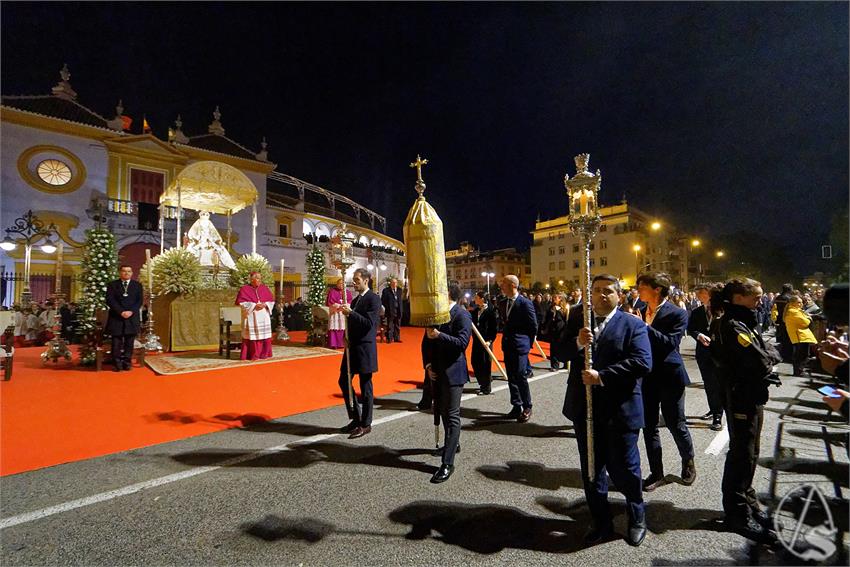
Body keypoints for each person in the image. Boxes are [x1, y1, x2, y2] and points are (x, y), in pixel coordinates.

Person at [562, 274, 652, 547]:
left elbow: (642, 362)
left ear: (619, 296)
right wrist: (578, 343)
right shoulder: (580, 321)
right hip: (585, 409)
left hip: (620, 408)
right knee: (592, 468)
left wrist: (602, 376)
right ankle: (600, 520)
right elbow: (558, 351)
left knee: (625, 467)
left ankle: (636, 515)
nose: (601, 295)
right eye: (596, 290)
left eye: (608, 291)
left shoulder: (632, 324)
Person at [709, 278, 781, 543]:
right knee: (742, 453)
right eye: (756, 297)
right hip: (741, 395)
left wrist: (768, 357)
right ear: (738, 298)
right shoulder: (732, 324)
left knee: (750, 452)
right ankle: (737, 513)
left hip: (749, 393)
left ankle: (748, 503)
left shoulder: (742, 320)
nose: (760, 302)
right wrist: (769, 359)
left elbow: (765, 351)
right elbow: (761, 361)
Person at [634, 272, 696, 491]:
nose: (638, 290)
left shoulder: (678, 313)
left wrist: (644, 327)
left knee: (675, 423)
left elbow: (669, 343)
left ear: (657, 289)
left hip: (670, 375)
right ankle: (656, 473)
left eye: (642, 286)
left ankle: (688, 461)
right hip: (647, 376)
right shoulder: (640, 310)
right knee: (648, 426)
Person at [422, 283, 472, 483]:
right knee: (442, 411)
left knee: (452, 415)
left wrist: (440, 335)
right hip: (437, 371)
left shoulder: (462, 315)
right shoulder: (437, 314)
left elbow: (462, 343)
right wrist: (427, 365)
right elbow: (425, 342)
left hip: (454, 372)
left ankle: (447, 463)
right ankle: (453, 444)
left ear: (449, 295)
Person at [334, 268, 381, 439]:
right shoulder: (355, 300)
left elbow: (369, 324)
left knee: (365, 385)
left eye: (357, 280)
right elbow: (351, 322)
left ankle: (366, 423)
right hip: (352, 347)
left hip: (365, 348)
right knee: (343, 380)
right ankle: (356, 417)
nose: (354, 283)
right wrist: (345, 337)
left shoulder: (373, 299)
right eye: (353, 280)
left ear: (366, 280)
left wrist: (351, 313)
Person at [498, 275, 538, 422]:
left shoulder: (525, 303)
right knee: (511, 376)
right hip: (507, 344)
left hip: (521, 345)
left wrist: (527, 343)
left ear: (513, 286)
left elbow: (533, 326)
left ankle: (527, 406)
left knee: (520, 375)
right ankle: (516, 405)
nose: (501, 285)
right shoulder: (503, 302)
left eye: (504, 283)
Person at [687, 284, 724, 431]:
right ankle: (713, 409)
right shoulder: (697, 312)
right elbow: (691, 329)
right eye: (697, 293)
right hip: (703, 353)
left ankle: (718, 416)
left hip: (719, 354)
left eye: (701, 293)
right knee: (709, 384)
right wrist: (698, 335)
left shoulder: (722, 310)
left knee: (718, 384)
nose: (698, 296)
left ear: (709, 293)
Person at [105, 265, 143, 371]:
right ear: (120, 272)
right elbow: (110, 300)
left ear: (132, 273)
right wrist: (121, 311)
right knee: (116, 342)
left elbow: (139, 301)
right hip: (116, 317)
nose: (126, 273)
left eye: (129, 271)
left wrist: (131, 311)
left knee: (129, 342)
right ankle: (117, 363)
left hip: (132, 317)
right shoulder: (112, 285)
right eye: (124, 271)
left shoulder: (137, 285)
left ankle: (127, 362)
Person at [235, 271, 275, 360]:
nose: (259, 280)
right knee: (252, 335)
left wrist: (265, 304)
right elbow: (241, 302)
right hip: (252, 315)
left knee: (264, 335)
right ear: (251, 279)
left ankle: (264, 353)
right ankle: (253, 354)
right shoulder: (244, 289)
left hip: (263, 315)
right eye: (257, 278)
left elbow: (271, 301)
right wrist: (254, 305)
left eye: (260, 278)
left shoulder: (264, 288)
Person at [470, 291, 498, 395]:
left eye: (476, 297)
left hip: (486, 342)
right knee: (475, 362)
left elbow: (494, 328)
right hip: (477, 341)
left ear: (482, 299)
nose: (475, 299)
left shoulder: (491, 311)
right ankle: (483, 382)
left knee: (486, 364)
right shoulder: (475, 311)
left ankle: (486, 387)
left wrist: (489, 341)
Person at [783, 295, 817, 376]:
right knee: (802, 355)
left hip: (801, 335)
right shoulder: (793, 311)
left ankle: (799, 371)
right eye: (798, 302)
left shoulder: (796, 310)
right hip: (800, 335)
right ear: (792, 303)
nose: (801, 304)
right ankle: (799, 371)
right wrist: (809, 318)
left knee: (801, 354)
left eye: (801, 302)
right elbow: (805, 322)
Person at [542, 292, 569, 371]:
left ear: (560, 299)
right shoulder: (551, 307)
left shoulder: (565, 307)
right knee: (553, 348)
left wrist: (558, 311)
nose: (554, 299)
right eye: (553, 298)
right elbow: (548, 318)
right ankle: (554, 366)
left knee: (563, 347)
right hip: (553, 330)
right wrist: (545, 328)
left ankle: (566, 364)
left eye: (555, 298)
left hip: (561, 330)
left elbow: (566, 318)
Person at [326, 278, 352, 349]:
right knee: (334, 328)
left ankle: (342, 344)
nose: (341, 285)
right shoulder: (332, 291)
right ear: (337, 284)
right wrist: (338, 306)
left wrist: (345, 306)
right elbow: (330, 302)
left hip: (343, 312)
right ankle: (333, 344)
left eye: (343, 284)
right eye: (339, 283)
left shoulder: (347, 292)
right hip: (335, 313)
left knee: (343, 327)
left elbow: (350, 301)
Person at [772, 283, 794, 362]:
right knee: (789, 339)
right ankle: (788, 356)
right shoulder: (790, 298)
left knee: (782, 338)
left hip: (779, 320)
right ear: (790, 289)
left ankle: (783, 354)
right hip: (788, 320)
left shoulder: (778, 297)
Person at [381, 278, 403, 343]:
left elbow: (400, 300)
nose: (394, 284)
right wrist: (388, 307)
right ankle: (389, 339)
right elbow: (383, 300)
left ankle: (397, 338)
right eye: (393, 282)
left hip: (398, 310)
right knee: (390, 326)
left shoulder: (399, 290)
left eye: (395, 283)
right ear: (390, 283)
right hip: (390, 310)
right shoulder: (386, 291)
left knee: (397, 325)